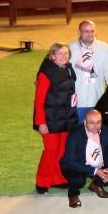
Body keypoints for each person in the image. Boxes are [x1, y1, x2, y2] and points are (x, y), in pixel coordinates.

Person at [60, 110, 108, 208]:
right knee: (78, 180)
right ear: (85, 122)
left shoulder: (107, 131)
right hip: (79, 165)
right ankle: (73, 194)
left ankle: (97, 184)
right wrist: (95, 171)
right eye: (91, 123)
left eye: (98, 122)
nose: (95, 126)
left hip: (99, 164)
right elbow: (71, 161)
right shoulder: (75, 134)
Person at [34, 43, 77, 194]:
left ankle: (58, 178)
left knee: (62, 150)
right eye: (60, 54)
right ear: (52, 56)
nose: (64, 56)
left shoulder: (68, 69)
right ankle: (42, 181)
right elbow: (39, 101)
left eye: (66, 53)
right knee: (50, 151)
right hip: (50, 121)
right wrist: (41, 122)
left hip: (65, 118)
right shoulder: (45, 74)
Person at [69, 20, 108, 123]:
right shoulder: (70, 49)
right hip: (78, 100)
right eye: (86, 31)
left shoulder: (104, 48)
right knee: (78, 132)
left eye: (92, 31)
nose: (90, 34)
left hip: (97, 98)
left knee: (96, 132)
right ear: (79, 32)